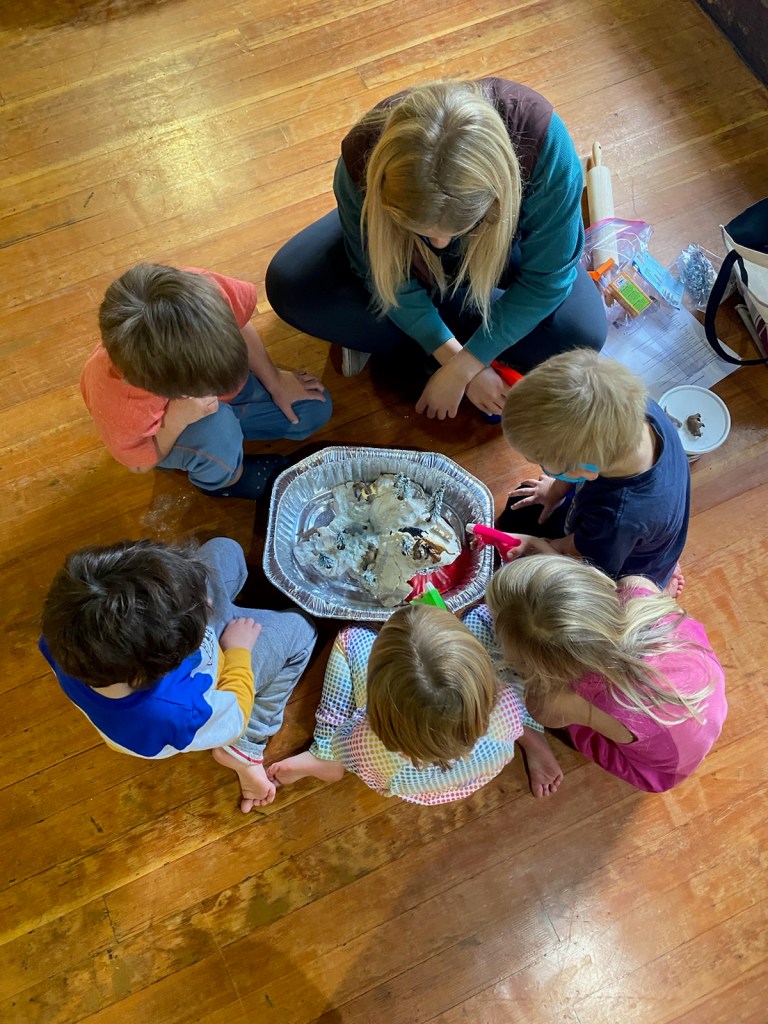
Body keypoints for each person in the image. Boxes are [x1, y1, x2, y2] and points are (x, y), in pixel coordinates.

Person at [265, 78, 606, 419]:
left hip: (501, 243)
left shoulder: (544, 145)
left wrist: (464, 366)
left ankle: (381, 332)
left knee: (581, 334)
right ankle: (415, 326)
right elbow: (379, 273)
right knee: (292, 286)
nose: (440, 244)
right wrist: (459, 360)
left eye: (456, 230)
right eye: (424, 231)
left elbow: (547, 280)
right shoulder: (360, 158)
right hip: (398, 241)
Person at [39, 536, 317, 812]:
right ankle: (245, 749)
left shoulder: (65, 636)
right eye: (199, 606)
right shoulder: (179, 711)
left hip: (169, 644)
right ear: (164, 665)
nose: (208, 600)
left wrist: (185, 595)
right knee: (302, 629)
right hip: (224, 667)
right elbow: (235, 714)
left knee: (226, 548)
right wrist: (238, 651)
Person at [267, 602, 563, 803]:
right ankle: (533, 739)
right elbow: (512, 688)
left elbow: (344, 741)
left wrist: (333, 747)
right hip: (481, 760)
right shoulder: (508, 704)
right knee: (479, 615)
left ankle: (323, 756)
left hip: (406, 780)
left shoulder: (367, 744)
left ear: (377, 706)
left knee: (351, 636)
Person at [81, 264, 332, 499]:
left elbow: (240, 321)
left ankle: (224, 441)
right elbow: (139, 465)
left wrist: (275, 381)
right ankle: (226, 481)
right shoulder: (119, 402)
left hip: (202, 405)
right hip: (165, 433)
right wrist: (176, 419)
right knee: (216, 425)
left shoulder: (203, 294)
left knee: (313, 410)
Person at [486, 555, 727, 793]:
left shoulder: (555, 702)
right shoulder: (637, 587)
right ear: (592, 579)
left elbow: (540, 711)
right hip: (707, 699)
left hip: (663, 768)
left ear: (533, 665)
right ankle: (664, 598)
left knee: (557, 712)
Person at [495, 348, 690, 592]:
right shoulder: (635, 409)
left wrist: (536, 545)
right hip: (636, 533)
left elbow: (579, 564)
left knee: (534, 584)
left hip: (617, 571)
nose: (535, 463)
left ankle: (657, 588)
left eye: (543, 463)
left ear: (585, 471)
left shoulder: (616, 519)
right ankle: (660, 563)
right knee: (522, 505)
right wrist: (555, 489)